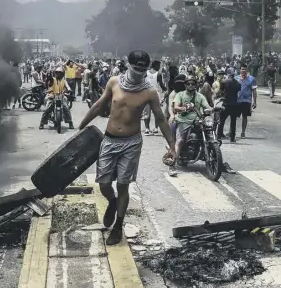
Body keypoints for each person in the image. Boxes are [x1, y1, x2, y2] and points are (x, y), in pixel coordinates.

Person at [78, 50, 175, 245]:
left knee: (123, 185)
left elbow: (160, 118)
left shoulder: (149, 92)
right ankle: (112, 202)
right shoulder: (114, 82)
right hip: (109, 139)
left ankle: (118, 226)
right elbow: (98, 106)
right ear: (128, 64)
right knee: (104, 184)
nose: (139, 71)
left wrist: (173, 145)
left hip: (131, 143)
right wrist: (81, 127)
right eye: (136, 67)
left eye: (143, 68)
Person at [171, 75, 211, 177]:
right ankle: (172, 165)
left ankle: (217, 160)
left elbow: (207, 106)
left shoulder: (200, 96)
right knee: (179, 141)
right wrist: (184, 108)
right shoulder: (180, 95)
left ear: (196, 85)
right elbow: (175, 107)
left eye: (192, 84)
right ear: (185, 85)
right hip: (183, 121)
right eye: (188, 83)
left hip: (197, 121)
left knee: (209, 135)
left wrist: (213, 108)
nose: (190, 85)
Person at [143, 60, 167, 135]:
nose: (159, 67)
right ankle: (156, 128)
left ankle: (147, 129)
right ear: (155, 65)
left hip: (146, 94)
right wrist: (167, 90)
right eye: (158, 66)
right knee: (156, 112)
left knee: (146, 112)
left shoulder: (145, 73)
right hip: (155, 95)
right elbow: (162, 85)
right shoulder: (158, 74)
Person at [217, 69, 240, 144]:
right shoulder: (237, 83)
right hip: (234, 104)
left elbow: (220, 92)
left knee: (221, 120)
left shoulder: (224, 82)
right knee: (233, 122)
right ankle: (232, 138)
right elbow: (238, 92)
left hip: (226, 103)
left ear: (228, 74)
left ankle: (218, 136)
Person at [235, 63, 257, 138]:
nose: (243, 70)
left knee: (244, 117)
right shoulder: (236, 78)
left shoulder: (252, 79)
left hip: (247, 101)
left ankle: (243, 132)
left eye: (245, 69)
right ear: (240, 70)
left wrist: (254, 102)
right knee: (234, 116)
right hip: (237, 100)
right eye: (242, 69)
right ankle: (232, 131)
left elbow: (254, 91)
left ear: (247, 70)